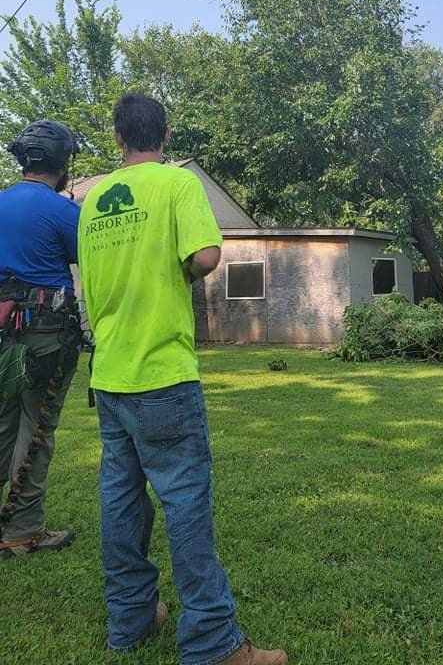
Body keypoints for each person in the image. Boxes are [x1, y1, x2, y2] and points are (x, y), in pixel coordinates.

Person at [78, 93, 288, 665]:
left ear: (118, 137)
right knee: (187, 504)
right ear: (165, 135)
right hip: (162, 375)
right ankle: (215, 644)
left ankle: (131, 619)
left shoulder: (93, 201)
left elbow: (91, 288)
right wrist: (181, 265)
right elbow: (206, 255)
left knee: (121, 504)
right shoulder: (176, 185)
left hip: (111, 374)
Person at [0, 120, 82, 559]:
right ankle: (22, 532)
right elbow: (83, 252)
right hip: (45, 334)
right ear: (61, 163)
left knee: (2, 425)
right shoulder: (62, 211)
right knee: (36, 430)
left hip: (2, 330)